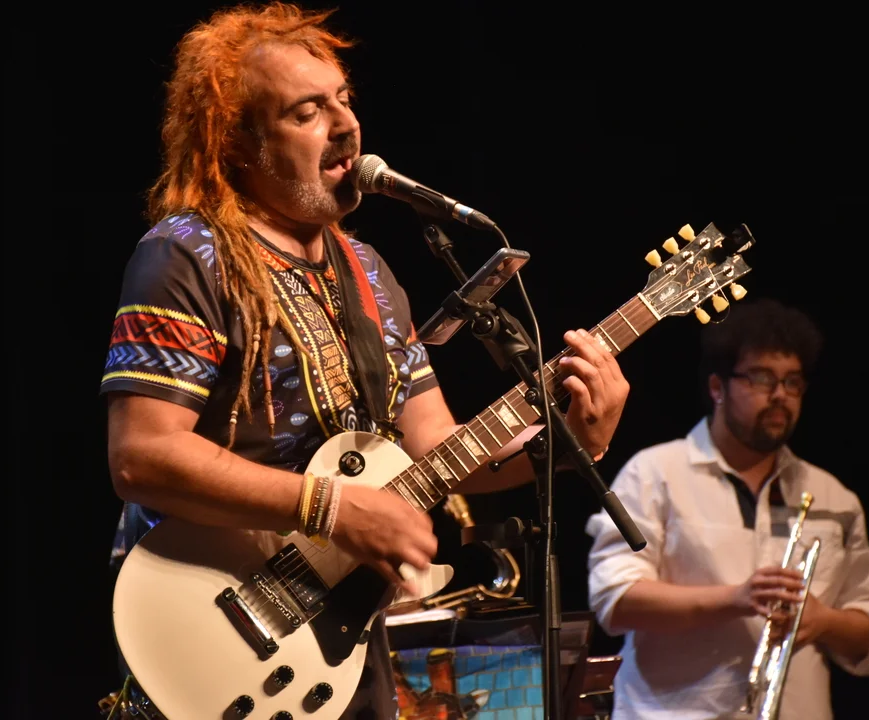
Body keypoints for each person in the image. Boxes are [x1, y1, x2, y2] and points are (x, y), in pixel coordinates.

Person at [98, 3, 631, 718]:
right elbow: (141, 456)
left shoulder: (370, 273)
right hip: (209, 629)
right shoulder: (186, 255)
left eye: (344, 99)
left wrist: (569, 444)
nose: (345, 124)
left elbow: (439, 451)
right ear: (239, 144)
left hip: (335, 645)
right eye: (307, 111)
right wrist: (332, 508)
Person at [585, 298, 869, 720]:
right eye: (762, 378)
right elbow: (614, 599)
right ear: (717, 388)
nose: (780, 395)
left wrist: (824, 622)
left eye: (793, 382)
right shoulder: (654, 474)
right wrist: (736, 598)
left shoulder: (833, 497)